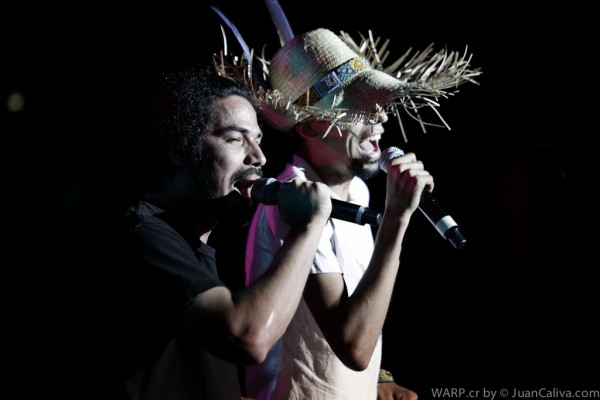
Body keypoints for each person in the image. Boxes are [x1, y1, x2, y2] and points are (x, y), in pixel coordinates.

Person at [213, 5, 480, 398]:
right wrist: (396, 219)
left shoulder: (357, 190)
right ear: (310, 126)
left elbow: (349, 317)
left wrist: (380, 379)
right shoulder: (292, 201)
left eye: (378, 99)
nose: (380, 115)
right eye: (358, 103)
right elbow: (353, 345)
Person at [65, 65, 334, 400]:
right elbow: (249, 337)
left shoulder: (192, 244)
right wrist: (308, 227)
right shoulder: (142, 235)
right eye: (235, 139)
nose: (259, 157)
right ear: (180, 149)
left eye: (258, 140)